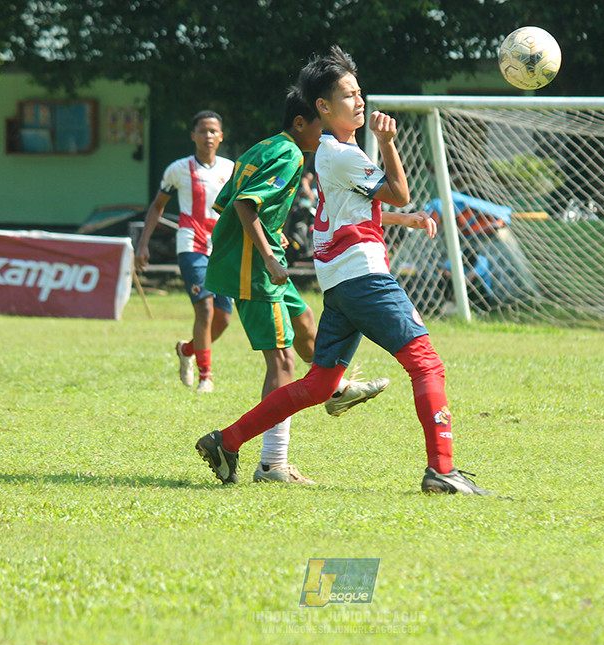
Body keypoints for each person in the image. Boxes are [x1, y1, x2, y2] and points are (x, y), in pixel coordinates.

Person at [195, 46, 489, 495]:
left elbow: (353, 211)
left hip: (340, 285)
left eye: (359, 92)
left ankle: (227, 440)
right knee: (426, 363)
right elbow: (399, 191)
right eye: (348, 95)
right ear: (324, 107)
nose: (359, 100)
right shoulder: (341, 154)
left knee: (320, 384)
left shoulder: (331, 153)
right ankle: (442, 471)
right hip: (365, 278)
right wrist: (388, 144)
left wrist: (402, 219)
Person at [204, 88, 390, 484]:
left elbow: (227, 201)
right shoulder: (289, 155)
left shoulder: (266, 146)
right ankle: (271, 463)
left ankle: (335, 390)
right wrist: (267, 255)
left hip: (258, 256)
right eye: (324, 124)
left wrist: (272, 233)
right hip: (254, 267)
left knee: (305, 322)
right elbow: (243, 204)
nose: (329, 133)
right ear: (301, 122)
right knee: (282, 363)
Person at [136, 110, 234, 392]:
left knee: (223, 319)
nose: (208, 136)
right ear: (193, 136)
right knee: (205, 308)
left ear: (221, 136)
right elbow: (158, 206)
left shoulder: (231, 169)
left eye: (213, 131)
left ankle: (187, 350)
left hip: (222, 247)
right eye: (202, 131)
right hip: (191, 244)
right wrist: (143, 244)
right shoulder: (178, 169)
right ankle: (206, 376)